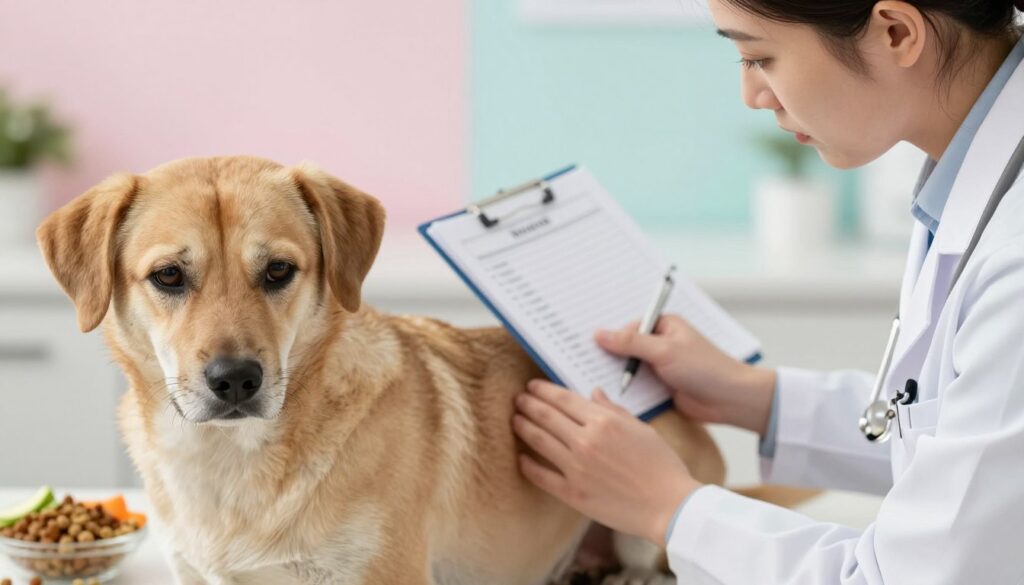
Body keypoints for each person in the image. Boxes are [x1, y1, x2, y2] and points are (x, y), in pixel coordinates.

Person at [511, 1, 1024, 582]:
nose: (751, 95)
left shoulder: (1014, 259)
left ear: (896, 32)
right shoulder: (966, 183)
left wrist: (669, 507)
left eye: (760, 57)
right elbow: (958, 441)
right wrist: (754, 397)